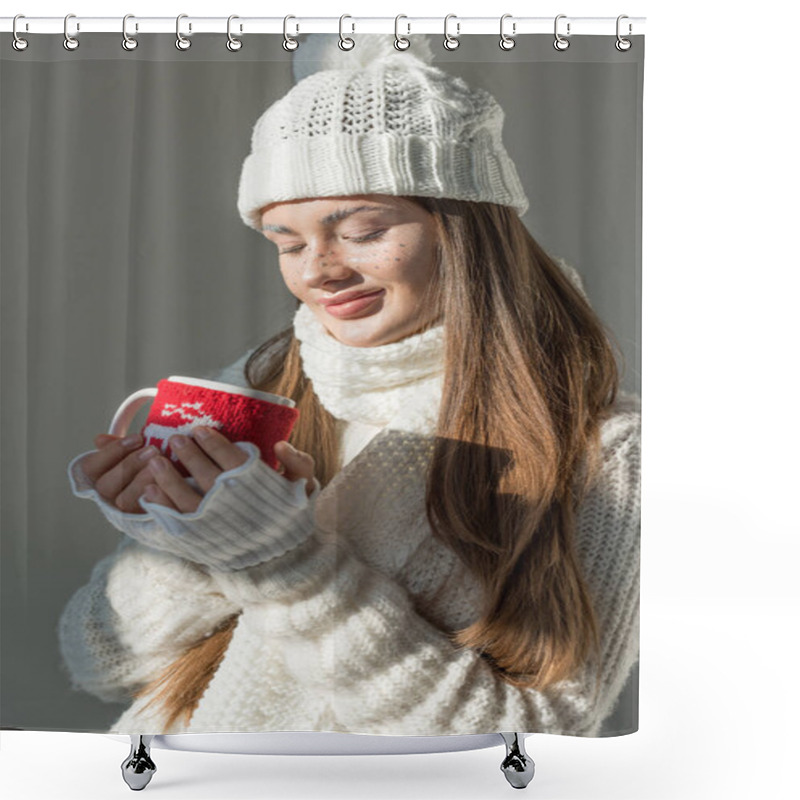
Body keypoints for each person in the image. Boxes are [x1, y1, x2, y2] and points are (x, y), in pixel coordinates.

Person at [58, 34, 641, 737]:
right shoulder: (258, 388)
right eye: (289, 243)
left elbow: (533, 737)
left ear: (468, 229)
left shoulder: (608, 453)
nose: (319, 271)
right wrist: (187, 539)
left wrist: (282, 561)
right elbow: (96, 663)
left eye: (362, 230)